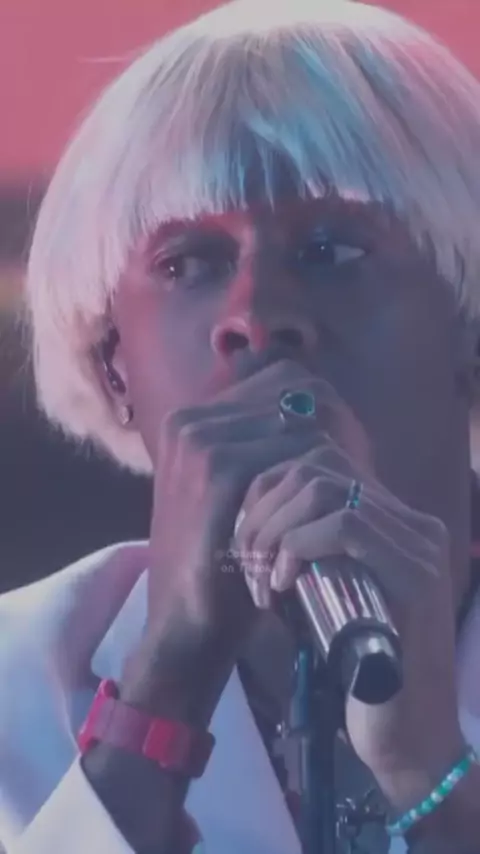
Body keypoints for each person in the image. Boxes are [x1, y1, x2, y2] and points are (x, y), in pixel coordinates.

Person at [1, 0, 480, 851]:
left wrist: (430, 769)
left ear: (469, 331)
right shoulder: (16, 680)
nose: (255, 318)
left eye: (332, 250)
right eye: (188, 262)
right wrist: (163, 690)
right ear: (114, 368)